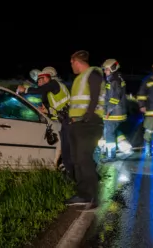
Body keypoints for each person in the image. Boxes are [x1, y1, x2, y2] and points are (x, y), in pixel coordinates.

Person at [17, 67, 73, 179]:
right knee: (64, 146)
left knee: (66, 147)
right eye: (38, 79)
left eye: (42, 78)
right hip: (65, 120)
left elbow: (39, 90)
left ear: (50, 76)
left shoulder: (54, 84)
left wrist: (25, 90)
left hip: (69, 120)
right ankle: (65, 170)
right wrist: (46, 111)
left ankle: (70, 174)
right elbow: (57, 107)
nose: (39, 81)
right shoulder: (51, 89)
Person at [65, 50, 105, 208]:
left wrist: (88, 116)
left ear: (76, 60)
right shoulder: (79, 78)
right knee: (77, 161)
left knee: (84, 160)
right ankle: (82, 194)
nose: (71, 65)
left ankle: (92, 197)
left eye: (71, 62)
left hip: (88, 124)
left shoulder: (93, 74)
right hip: (77, 124)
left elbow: (94, 96)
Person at [100, 59, 134, 163]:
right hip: (119, 111)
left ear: (112, 68)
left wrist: (108, 111)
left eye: (106, 70)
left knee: (109, 133)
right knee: (116, 131)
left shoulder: (113, 80)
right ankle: (127, 149)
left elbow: (114, 97)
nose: (105, 72)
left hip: (114, 113)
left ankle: (111, 156)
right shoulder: (118, 78)